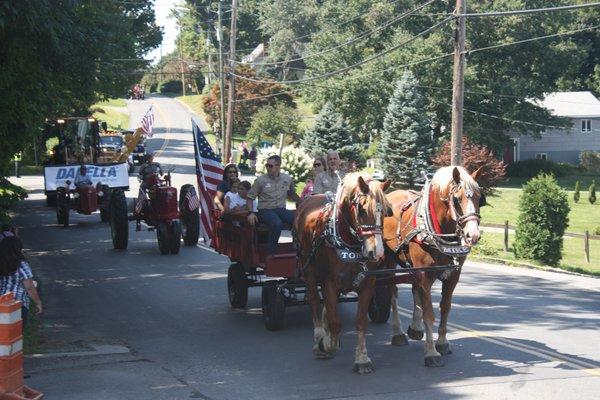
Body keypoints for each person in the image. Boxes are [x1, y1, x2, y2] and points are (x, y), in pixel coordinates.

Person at [246, 155, 301, 255]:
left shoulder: (287, 179)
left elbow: (291, 194)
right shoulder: (260, 180)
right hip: (265, 210)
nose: (267, 168)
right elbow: (250, 197)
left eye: (270, 166)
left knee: (298, 220)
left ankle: (296, 246)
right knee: (276, 223)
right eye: (267, 165)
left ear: (278, 166)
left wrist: (304, 203)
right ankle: (271, 253)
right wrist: (251, 213)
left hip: (281, 209)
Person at [0, 236, 43, 327]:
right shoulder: (21, 264)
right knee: (16, 335)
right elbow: (29, 287)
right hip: (17, 304)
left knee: (4, 337)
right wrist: (38, 302)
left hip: (1, 303)